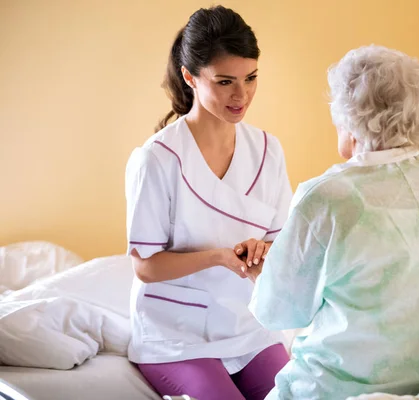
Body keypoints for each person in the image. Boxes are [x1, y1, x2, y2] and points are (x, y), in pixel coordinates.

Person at [247, 45, 419, 399]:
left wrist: (262, 273)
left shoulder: (326, 196)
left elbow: (280, 312)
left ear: (351, 116)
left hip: (342, 385)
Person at [124, 6, 292, 400]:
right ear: (190, 77)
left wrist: (262, 251)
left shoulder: (268, 150)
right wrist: (219, 257)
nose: (242, 94)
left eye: (251, 78)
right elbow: (145, 266)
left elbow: (280, 242)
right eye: (225, 81)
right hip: (175, 334)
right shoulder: (157, 159)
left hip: (247, 325)